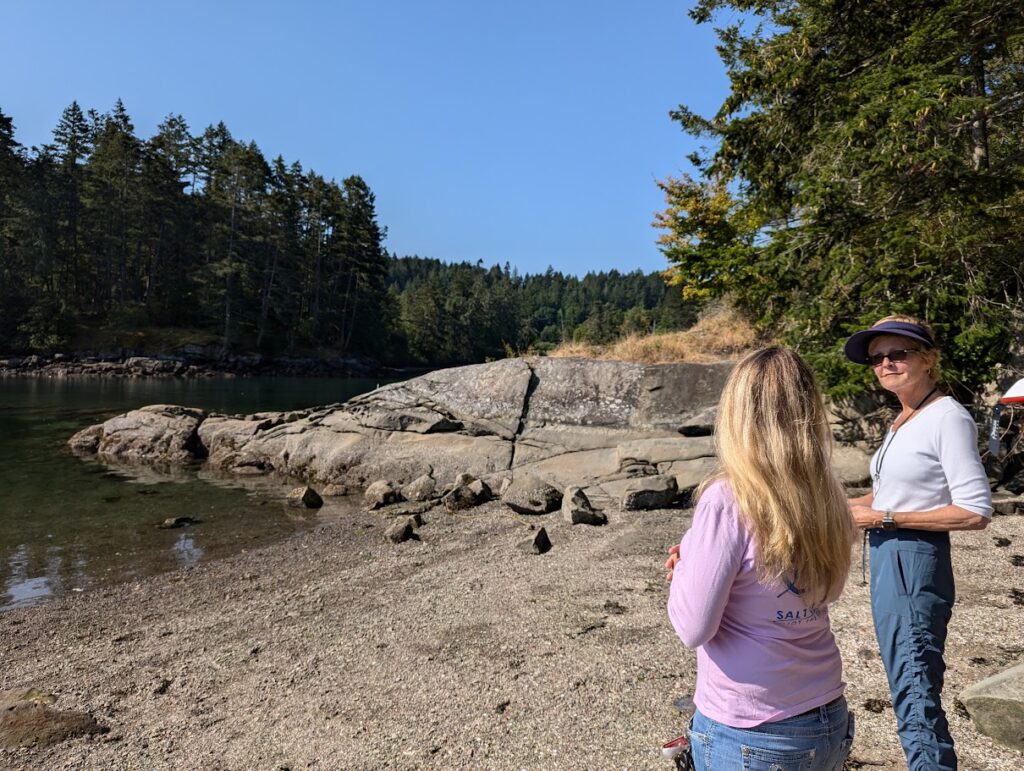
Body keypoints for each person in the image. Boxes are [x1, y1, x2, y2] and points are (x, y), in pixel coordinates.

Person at [666, 347, 856, 770]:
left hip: (754, 727)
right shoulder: (829, 496)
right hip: (827, 712)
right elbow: (827, 590)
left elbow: (693, 627)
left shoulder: (726, 499)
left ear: (734, 414)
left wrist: (682, 573)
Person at [844, 315, 992, 771]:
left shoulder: (947, 418)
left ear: (928, 359)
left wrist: (882, 517)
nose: (885, 363)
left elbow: (974, 511)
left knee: (914, 685)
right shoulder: (903, 419)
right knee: (905, 682)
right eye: (876, 357)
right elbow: (893, 492)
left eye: (897, 354)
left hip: (913, 559)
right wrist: (840, 507)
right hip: (889, 555)